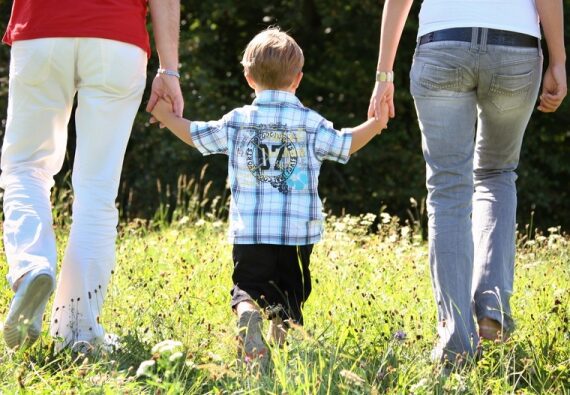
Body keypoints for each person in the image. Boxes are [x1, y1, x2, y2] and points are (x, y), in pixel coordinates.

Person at [150, 27, 388, 368]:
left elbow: (194, 134)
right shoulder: (310, 122)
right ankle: (279, 351)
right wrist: (376, 124)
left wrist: (164, 115)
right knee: (290, 297)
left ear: (248, 77)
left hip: (251, 234)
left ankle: (248, 318)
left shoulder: (237, 122)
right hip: (297, 236)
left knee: (247, 288)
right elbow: (345, 143)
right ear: (298, 79)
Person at [368, 0, 567, 363]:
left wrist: (384, 75)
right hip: (516, 49)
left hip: (443, 45)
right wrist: (558, 60)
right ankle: (492, 308)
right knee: (497, 173)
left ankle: (456, 341)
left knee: (448, 191)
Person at [1, 0, 183, 352]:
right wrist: (169, 70)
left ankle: (31, 267)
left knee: (26, 167)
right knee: (97, 191)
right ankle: (76, 332)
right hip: (118, 41)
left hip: (41, 29)